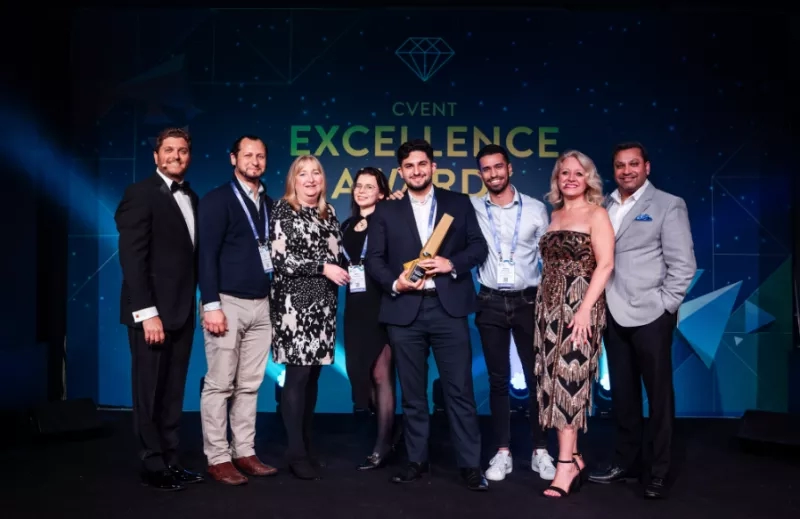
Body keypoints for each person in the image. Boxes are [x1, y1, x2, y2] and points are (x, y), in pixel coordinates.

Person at [365, 139, 490, 491]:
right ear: (401, 171)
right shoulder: (386, 210)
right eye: (409, 166)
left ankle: (469, 464)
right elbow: (374, 259)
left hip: (448, 309)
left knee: (460, 391)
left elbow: (478, 246)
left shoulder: (458, 202)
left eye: (422, 164)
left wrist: (452, 263)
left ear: (433, 167)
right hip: (405, 311)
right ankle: (416, 460)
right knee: (414, 394)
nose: (416, 171)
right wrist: (395, 283)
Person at [588, 142, 696, 500]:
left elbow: (683, 265)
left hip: (652, 314)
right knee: (623, 395)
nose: (626, 171)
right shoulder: (603, 205)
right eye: (619, 165)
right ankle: (626, 462)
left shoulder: (668, 204)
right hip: (612, 313)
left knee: (659, 396)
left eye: (633, 164)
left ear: (647, 167)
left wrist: (666, 306)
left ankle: (659, 472)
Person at [114, 127, 204, 491]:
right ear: (156, 156)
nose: (176, 156)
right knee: (149, 390)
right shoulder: (139, 194)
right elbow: (132, 258)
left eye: (182, 150)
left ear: (189, 155)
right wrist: (146, 311)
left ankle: (171, 458)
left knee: (172, 391)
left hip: (182, 312)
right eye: (169, 150)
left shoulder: (193, 197)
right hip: (151, 314)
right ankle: (152, 463)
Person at [471, 144, 556, 482]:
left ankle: (540, 450)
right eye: (486, 169)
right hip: (489, 300)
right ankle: (502, 451)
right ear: (481, 174)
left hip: (528, 300)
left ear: (510, 168)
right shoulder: (472, 208)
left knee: (538, 379)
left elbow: (549, 260)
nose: (493, 174)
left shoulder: (536, 210)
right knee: (497, 380)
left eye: (498, 167)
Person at [534, 150, 615, 499]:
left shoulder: (597, 214)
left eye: (577, 173)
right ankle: (575, 457)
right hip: (547, 309)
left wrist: (583, 311)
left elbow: (606, 265)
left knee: (570, 382)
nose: (569, 178)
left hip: (580, 307)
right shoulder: (554, 215)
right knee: (550, 384)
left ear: (588, 180)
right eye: (564, 172)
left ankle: (564, 465)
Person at [197, 135, 277, 485]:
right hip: (226, 304)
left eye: (260, 156)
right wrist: (211, 304)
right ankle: (217, 457)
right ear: (233, 159)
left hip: (263, 306)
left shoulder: (270, 204)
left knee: (249, 385)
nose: (255, 162)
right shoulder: (217, 200)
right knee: (219, 384)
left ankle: (244, 451)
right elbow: (206, 257)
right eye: (248, 155)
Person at [270, 154, 348, 480]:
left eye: (316, 173)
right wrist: (322, 268)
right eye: (304, 174)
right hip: (295, 307)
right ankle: (294, 452)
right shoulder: (283, 210)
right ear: (294, 180)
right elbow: (280, 259)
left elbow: (340, 254)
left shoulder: (329, 213)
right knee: (297, 377)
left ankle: (305, 443)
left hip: (324, 309)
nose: (311, 179)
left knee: (313, 378)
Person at [339, 167, 397, 470]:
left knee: (381, 375)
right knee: (362, 374)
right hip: (355, 308)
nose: (361, 191)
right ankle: (389, 431)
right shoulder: (346, 225)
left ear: (382, 193)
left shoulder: (388, 222)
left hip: (383, 305)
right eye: (358, 186)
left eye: (369, 186)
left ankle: (383, 444)